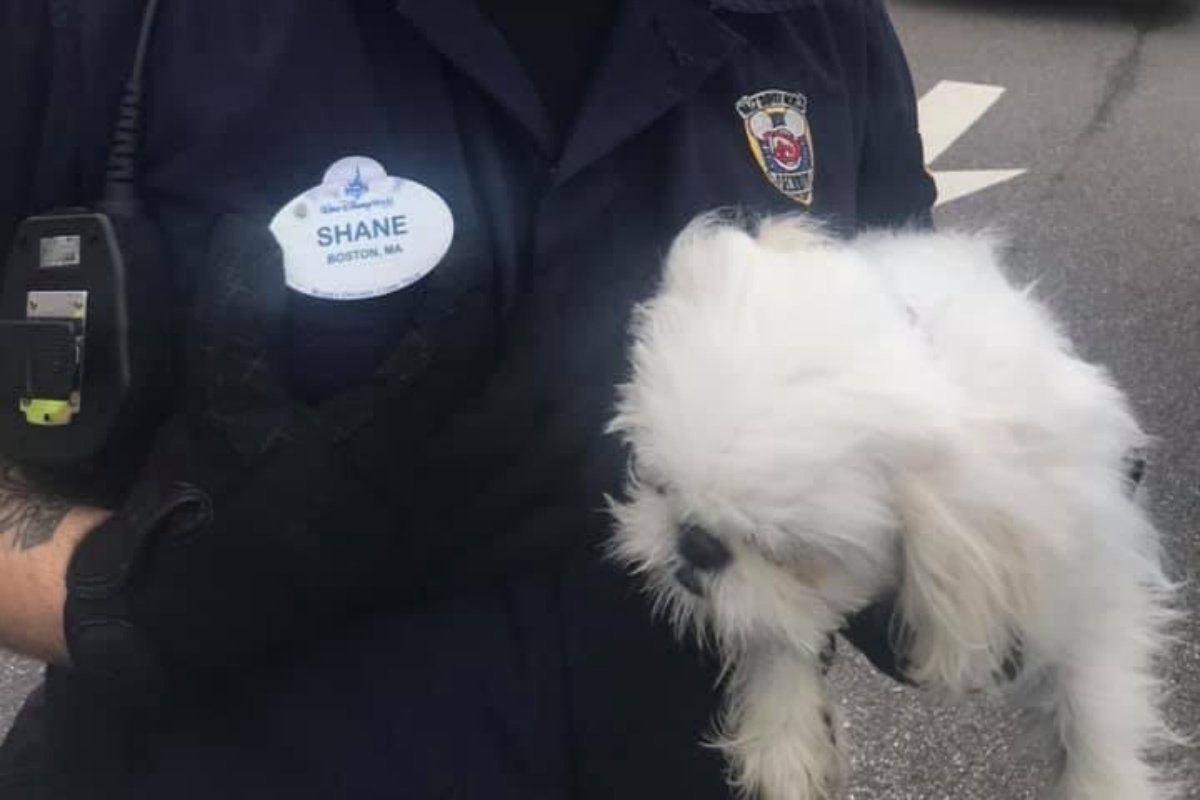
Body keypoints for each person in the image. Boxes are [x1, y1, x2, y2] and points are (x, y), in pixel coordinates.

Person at [0, 0, 937, 797]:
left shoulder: (815, 23)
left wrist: (951, 555)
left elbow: (918, 349)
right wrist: (108, 595)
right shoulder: (105, 26)